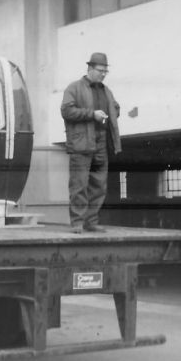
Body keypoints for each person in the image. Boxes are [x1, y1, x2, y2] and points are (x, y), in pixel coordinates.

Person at [60, 52, 121, 233]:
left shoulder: (106, 90)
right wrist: (91, 114)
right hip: (81, 144)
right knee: (79, 184)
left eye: (105, 71)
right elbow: (66, 111)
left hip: (101, 143)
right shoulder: (74, 88)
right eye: (100, 70)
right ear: (89, 69)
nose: (103, 74)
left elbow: (116, 107)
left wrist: (113, 112)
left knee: (99, 185)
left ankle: (91, 221)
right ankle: (77, 223)